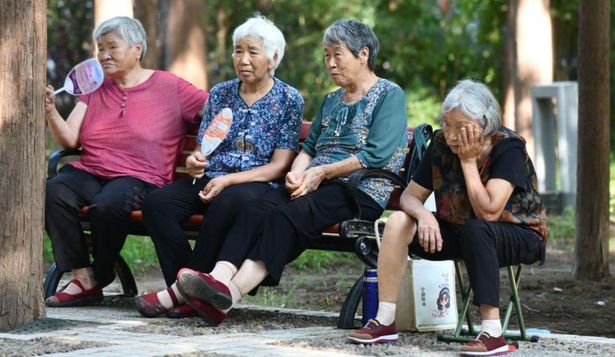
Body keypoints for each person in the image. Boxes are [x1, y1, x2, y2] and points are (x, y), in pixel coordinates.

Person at [174, 19, 409, 327]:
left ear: (363, 54)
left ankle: (227, 296)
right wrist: (297, 174)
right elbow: (308, 149)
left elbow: (374, 154)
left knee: (288, 216)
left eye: (337, 55)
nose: (330, 63)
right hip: (316, 183)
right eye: (326, 55)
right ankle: (219, 279)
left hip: (359, 188)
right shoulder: (331, 100)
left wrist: (320, 173)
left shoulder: (389, 95)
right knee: (258, 206)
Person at [347, 80, 547, 356]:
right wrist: (423, 216)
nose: (452, 135)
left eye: (460, 126)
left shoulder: (508, 148)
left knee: (477, 230)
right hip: (458, 230)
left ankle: (493, 333)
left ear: (484, 122)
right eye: (447, 124)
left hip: (518, 233)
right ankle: (385, 320)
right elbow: (408, 197)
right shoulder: (440, 143)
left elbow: (489, 212)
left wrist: (467, 162)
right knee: (398, 221)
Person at [135, 16, 303, 320]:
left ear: (273, 58)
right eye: (238, 51)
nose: (243, 59)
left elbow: (279, 166)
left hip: (256, 183)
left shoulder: (289, 99)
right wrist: (194, 160)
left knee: (228, 200)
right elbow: (203, 148)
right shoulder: (221, 93)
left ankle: (179, 294)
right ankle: (192, 289)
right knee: (158, 204)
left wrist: (229, 181)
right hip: (212, 177)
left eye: (253, 51)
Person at [44, 16, 208, 307]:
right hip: (93, 170)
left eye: (112, 47)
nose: (103, 55)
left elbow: (218, 109)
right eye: (100, 48)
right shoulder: (94, 88)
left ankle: (101, 273)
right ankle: (83, 275)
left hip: (142, 179)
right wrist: (51, 111)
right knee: (54, 190)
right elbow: (70, 140)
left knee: (109, 204)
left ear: (136, 48)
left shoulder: (171, 87)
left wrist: (206, 148)